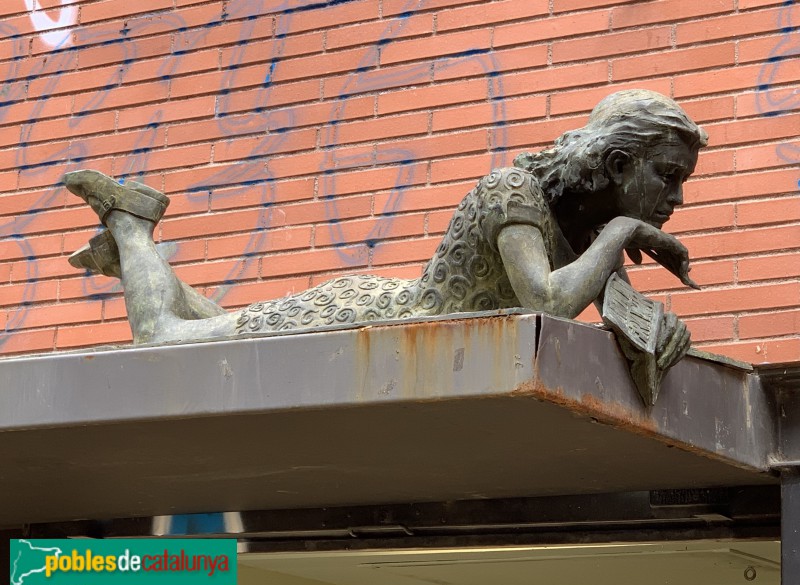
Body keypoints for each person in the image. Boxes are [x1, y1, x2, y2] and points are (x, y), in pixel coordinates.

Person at [64, 89, 706, 371]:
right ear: (619, 164)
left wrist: (660, 330)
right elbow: (547, 303)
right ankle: (133, 225)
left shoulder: (586, 230)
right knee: (167, 338)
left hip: (379, 316)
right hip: (365, 320)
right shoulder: (515, 194)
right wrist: (623, 229)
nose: (675, 196)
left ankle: (136, 259)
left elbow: (621, 320)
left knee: (221, 328)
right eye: (669, 175)